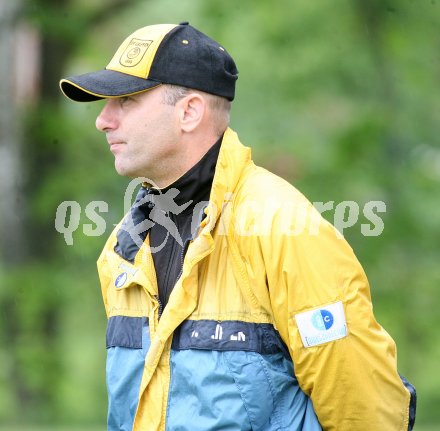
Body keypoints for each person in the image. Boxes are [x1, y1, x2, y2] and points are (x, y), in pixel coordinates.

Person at [59, 22, 416, 431]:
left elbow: (366, 413)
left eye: (126, 101)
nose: (103, 120)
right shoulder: (123, 249)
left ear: (189, 112)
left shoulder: (284, 230)